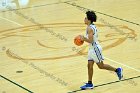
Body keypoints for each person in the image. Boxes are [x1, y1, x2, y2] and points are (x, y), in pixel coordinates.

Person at [80, 11, 123, 90]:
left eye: (85, 18)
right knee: (89, 65)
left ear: (89, 20)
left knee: (101, 66)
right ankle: (90, 83)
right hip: (92, 49)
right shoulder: (91, 26)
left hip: (95, 49)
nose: (84, 19)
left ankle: (117, 70)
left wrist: (83, 38)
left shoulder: (90, 28)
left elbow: (91, 41)